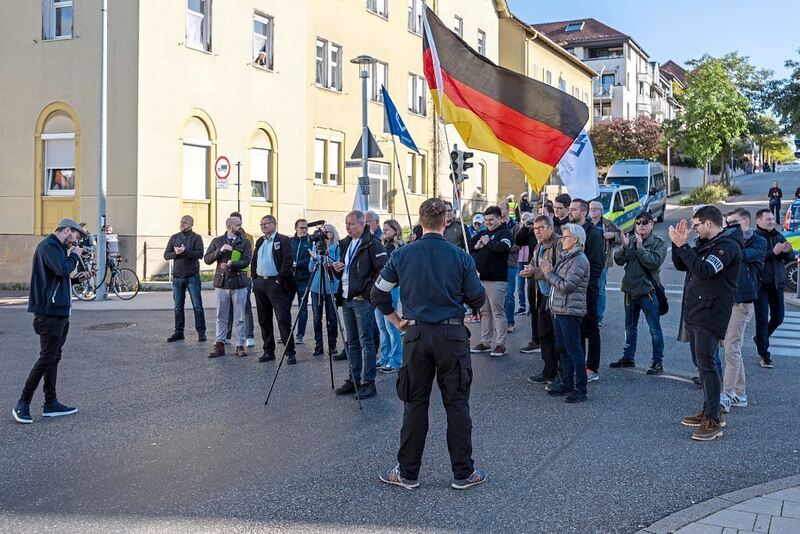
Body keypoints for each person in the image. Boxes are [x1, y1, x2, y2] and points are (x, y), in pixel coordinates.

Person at [372, 198, 487, 490]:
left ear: (422, 221)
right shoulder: (460, 255)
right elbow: (477, 298)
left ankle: (408, 473)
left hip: (416, 334)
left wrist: (396, 320)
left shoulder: (402, 255)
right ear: (445, 221)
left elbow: (378, 294)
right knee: (457, 404)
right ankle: (463, 473)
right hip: (451, 335)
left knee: (415, 404)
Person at [670, 205, 742, 441]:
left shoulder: (727, 246)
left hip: (710, 313)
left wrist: (683, 246)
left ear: (709, 223)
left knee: (708, 365)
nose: (694, 228)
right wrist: (677, 244)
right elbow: (684, 265)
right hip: (696, 311)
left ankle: (713, 419)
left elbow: (704, 270)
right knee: (701, 364)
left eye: (697, 225)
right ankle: (710, 410)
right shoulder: (707, 243)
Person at [13, 219, 87, 424]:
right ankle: (22, 403)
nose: (76, 242)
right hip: (50, 313)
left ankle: (51, 403)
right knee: (47, 358)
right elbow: (62, 270)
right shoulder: (49, 246)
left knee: (53, 357)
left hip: (59, 311)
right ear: (66, 230)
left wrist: (78, 278)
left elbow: (58, 277)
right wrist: (74, 256)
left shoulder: (55, 248)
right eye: (76, 236)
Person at [332, 210, 388, 399]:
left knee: (367, 342)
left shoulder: (373, 244)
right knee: (352, 342)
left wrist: (367, 294)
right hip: (347, 298)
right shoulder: (346, 243)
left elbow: (383, 271)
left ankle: (368, 382)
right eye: (346, 223)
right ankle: (353, 379)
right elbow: (346, 271)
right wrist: (337, 270)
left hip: (362, 301)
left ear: (362, 224)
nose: (347, 227)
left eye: (351, 224)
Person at [610, 212, 667, 374]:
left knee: (654, 329)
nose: (641, 226)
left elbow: (654, 262)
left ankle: (657, 362)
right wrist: (625, 247)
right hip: (630, 290)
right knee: (630, 327)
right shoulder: (632, 240)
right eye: (638, 223)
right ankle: (628, 357)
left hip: (647, 291)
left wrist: (641, 248)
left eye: (644, 223)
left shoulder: (658, 243)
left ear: (651, 224)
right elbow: (619, 261)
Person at [721, 208, 767, 408]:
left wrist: (729, 238)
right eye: (728, 223)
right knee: (732, 348)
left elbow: (740, 256)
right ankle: (740, 393)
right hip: (728, 300)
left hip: (742, 302)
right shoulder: (731, 239)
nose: (730, 226)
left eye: (734, 223)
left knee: (732, 348)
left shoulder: (759, 242)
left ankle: (728, 394)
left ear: (746, 223)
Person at [541, 223, 590, 403]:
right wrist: (549, 273)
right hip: (560, 309)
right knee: (563, 349)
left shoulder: (580, 260)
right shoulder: (567, 257)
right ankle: (567, 382)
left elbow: (566, 286)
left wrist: (548, 274)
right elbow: (558, 282)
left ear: (575, 239)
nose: (561, 240)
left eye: (565, 237)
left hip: (570, 310)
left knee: (574, 350)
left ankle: (580, 388)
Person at [520, 215, 562, 382]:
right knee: (544, 334)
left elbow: (557, 270)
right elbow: (534, 263)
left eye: (540, 228)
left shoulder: (559, 244)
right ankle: (548, 370)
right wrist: (530, 268)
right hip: (542, 296)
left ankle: (561, 372)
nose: (537, 232)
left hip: (557, 297)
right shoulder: (539, 246)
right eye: (535, 229)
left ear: (551, 228)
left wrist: (534, 272)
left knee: (558, 337)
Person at [204, 217, 253, 358]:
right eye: (238, 225)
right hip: (222, 283)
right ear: (229, 226)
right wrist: (220, 250)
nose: (240, 227)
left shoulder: (245, 241)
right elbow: (207, 259)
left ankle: (239, 345)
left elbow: (247, 260)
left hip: (239, 283)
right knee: (221, 316)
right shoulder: (217, 241)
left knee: (240, 316)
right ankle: (219, 344)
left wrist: (233, 263)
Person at [753, 208, 796, 368]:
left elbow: (789, 257)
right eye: (768, 219)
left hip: (777, 284)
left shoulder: (778, 235)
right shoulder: (755, 237)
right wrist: (773, 252)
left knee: (778, 318)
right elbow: (754, 257)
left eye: (772, 219)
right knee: (762, 319)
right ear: (759, 221)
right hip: (761, 285)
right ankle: (764, 354)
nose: (771, 221)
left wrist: (787, 251)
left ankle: (760, 338)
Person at [251, 215, 297, 364]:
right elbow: (255, 260)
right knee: (264, 319)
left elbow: (287, 261)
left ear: (274, 224)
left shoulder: (283, 240)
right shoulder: (260, 241)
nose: (263, 226)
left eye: (266, 223)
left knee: (283, 319)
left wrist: (279, 279)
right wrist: (254, 278)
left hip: (275, 283)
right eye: (261, 224)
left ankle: (290, 352)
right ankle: (268, 351)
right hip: (260, 283)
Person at [568, 199, 604, 382]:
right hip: (573, 290)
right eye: (569, 209)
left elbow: (597, 264)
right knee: (577, 329)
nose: (570, 212)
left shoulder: (594, 234)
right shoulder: (570, 232)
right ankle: (579, 365)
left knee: (591, 328)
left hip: (587, 290)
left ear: (584, 213)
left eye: (573, 209)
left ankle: (592, 368)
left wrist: (585, 285)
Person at [469, 206, 512, 357]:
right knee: (484, 312)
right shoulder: (483, 233)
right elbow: (470, 246)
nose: (488, 223)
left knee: (497, 312)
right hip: (482, 279)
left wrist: (488, 243)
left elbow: (503, 248)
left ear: (499, 218)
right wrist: (477, 245)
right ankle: (485, 342)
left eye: (491, 220)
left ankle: (500, 344)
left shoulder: (505, 233)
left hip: (497, 280)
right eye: (486, 220)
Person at [164, 215, 206, 342]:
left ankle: (201, 332)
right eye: (181, 222)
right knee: (178, 306)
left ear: (191, 224)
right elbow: (166, 255)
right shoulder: (174, 237)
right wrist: (175, 253)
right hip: (177, 277)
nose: (183, 224)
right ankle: (179, 331)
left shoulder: (196, 238)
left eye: (186, 222)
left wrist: (185, 251)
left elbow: (200, 254)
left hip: (192, 276)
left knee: (197, 306)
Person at [375, 220, 405, 373]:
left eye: (387, 229)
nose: (384, 231)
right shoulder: (382, 245)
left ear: (395, 230)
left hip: (392, 288)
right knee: (381, 326)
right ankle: (385, 356)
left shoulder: (398, 248)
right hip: (379, 288)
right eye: (384, 229)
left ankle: (396, 359)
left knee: (391, 326)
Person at [308, 223, 341, 357]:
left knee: (332, 318)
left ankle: (332, 345)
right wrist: (314, 258)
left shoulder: (337, 248)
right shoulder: (316, 247)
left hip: (331, 286)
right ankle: (318, 345)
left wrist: (326, 258)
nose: (323, 236)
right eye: (321, 233)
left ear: (333, 234)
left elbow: (338, 266)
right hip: (316, 286)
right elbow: (311, 268)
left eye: (326, 233)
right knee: (316, 318)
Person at [589, 200, 621, 325]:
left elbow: (621, 235)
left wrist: (612, 235)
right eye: (591, 208)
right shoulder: (586, 223)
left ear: (601, 212)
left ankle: (598, 317)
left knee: (600, 289)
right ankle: (589, 315)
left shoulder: (607, 223)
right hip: (587, 261)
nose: (593, 210)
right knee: (588, 289)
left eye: (596, 208)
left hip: (602, 262)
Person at [226, 212, 255, 347]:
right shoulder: (225, 238)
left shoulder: (247, 237)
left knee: (246, 306)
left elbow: (249, 256)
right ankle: (226, 335)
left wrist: (241, 236)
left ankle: (249, 335)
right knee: (229, 307)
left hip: (244, 275)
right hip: (229, 275)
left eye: (239, 223)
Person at [291, 219, 313, 345]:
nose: (304, 230)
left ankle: (300, 334)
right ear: (296, 228)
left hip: (304, 279)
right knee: (285, 307)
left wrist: (297, 264)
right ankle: (287, 333)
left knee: (302, 308)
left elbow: (310, 259)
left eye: (306, 227)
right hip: (290, 280)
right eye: (301, 227)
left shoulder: (310, 242)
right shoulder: (290, 241)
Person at [500, 203, 521, 333]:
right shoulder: (497, 226)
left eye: (501, 208)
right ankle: (500, 322)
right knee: (498, 295)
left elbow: (517, 245)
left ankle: (510, 322)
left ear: (507, 210)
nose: (499, 210)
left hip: (510, 264)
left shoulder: (515, 227)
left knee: (509, 295)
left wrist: (502, 247)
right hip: (497, 264)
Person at [515, 211, 533, 315]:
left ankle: (531, 306)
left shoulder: (533, 230)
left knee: (530, 285)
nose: (526, 221)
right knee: (520, 285)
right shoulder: (521, 229)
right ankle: (522, 305)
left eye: (528, 218)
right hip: (520, 260)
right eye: (523, 219)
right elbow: (517, 241)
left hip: (529, 259)